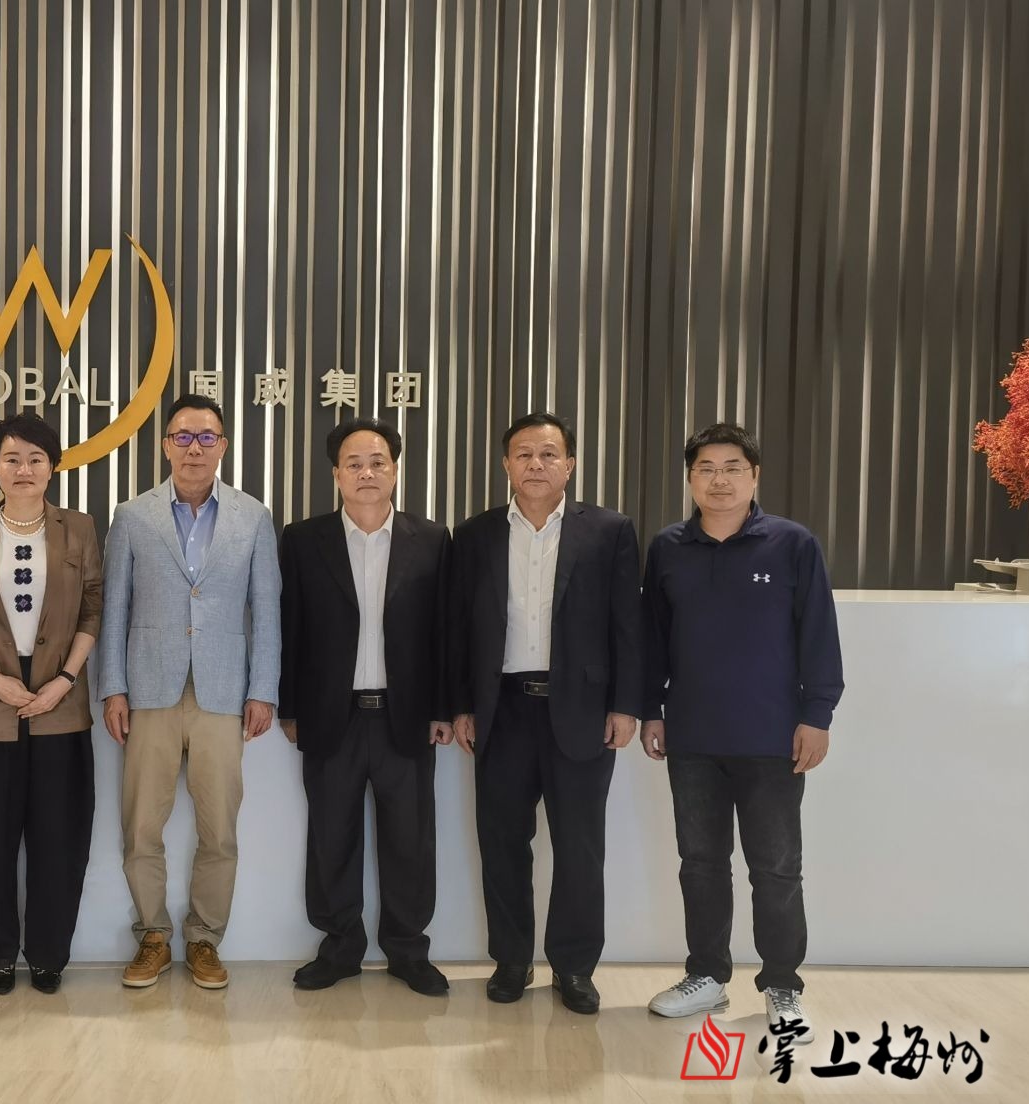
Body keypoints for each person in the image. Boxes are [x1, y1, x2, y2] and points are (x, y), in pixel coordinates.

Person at [640, 423, 844, 1041]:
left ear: (754, 476)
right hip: (693, 739)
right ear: (690, 478)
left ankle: (783, 986)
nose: (720, 480)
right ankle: (706, 975)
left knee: (776, 869)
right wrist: (651, 710)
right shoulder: (668, 547)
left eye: (733, 467)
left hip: (773, 739)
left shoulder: (792, 544)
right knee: (700, 864)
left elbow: (819, 636)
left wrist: (817, 716)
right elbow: (653, 641)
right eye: (706, 468)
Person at [448, 412, 640, 1015]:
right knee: (502, 841)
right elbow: (458, 630)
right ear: (507, 464)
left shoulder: (609, 531)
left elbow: (627, 626)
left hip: (580, 710)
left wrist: (626, 705)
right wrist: (460, 705)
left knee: (580, 847)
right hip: (500, 709)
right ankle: (511, 960)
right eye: (524, 454)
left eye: (549, 454)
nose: (536, 464)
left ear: (570, 465)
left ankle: (574, 967)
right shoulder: (474, 534)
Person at [97, 393, 282, 990]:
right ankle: (152, 936)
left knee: (219, 828)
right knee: (140, 826)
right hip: (149, 690)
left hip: (223, 693)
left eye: (206, 437)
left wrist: (263, 689)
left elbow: (267, 610)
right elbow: (115, 608)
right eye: (183, 436)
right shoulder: (133, 516)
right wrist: (113, 687)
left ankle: (205, 939)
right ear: (165, 445)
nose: (194, 447)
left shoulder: (253, 517)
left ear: (222, 446)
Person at [278, 418, 454, 993]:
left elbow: (444, 633)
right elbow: (289, 628)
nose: (367, 473)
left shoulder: (432, 539)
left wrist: (444, 708)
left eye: (378, 462)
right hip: (333, 715)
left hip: (408, 717)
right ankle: (340, 947)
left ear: (395, 471)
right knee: (332, 837)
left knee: (410, 839)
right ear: (336, 475)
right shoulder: (304, 540)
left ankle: (408, 950)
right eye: (354, 464)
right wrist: (288, 707)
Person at [0, 413, 103, 995]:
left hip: (61, 699)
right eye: (11, 458)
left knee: (60, 835)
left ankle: (49, 954)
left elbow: (92, 608)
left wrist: (65, 678)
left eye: (36, 459)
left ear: (53, 467)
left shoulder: (79, 528)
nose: (24, 469)